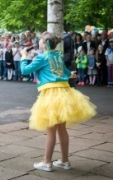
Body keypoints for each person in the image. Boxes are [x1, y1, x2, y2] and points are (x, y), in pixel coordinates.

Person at [20, 31, 96, 172]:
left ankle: (47, 162)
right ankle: (64, 161)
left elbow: (25, 70)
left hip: (50, 96)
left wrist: (24, 56)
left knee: (50, 131)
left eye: (41, 41)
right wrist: (70, 74)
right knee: (62, 129)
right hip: (64, 94)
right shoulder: (58, 56)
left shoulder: (41, 57)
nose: (39, 43)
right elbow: (66, 72)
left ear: (44, 44)